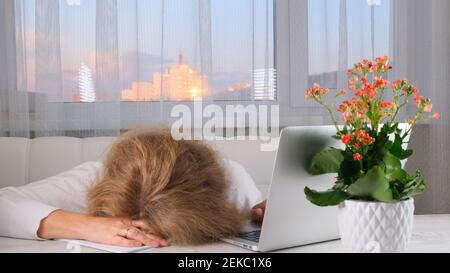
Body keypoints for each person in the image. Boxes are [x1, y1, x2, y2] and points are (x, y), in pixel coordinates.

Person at [0, 129, 266, 247]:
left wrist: (263, 211)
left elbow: (255, 212)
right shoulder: (95, 178)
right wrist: (87, 225)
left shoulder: (229, 176)